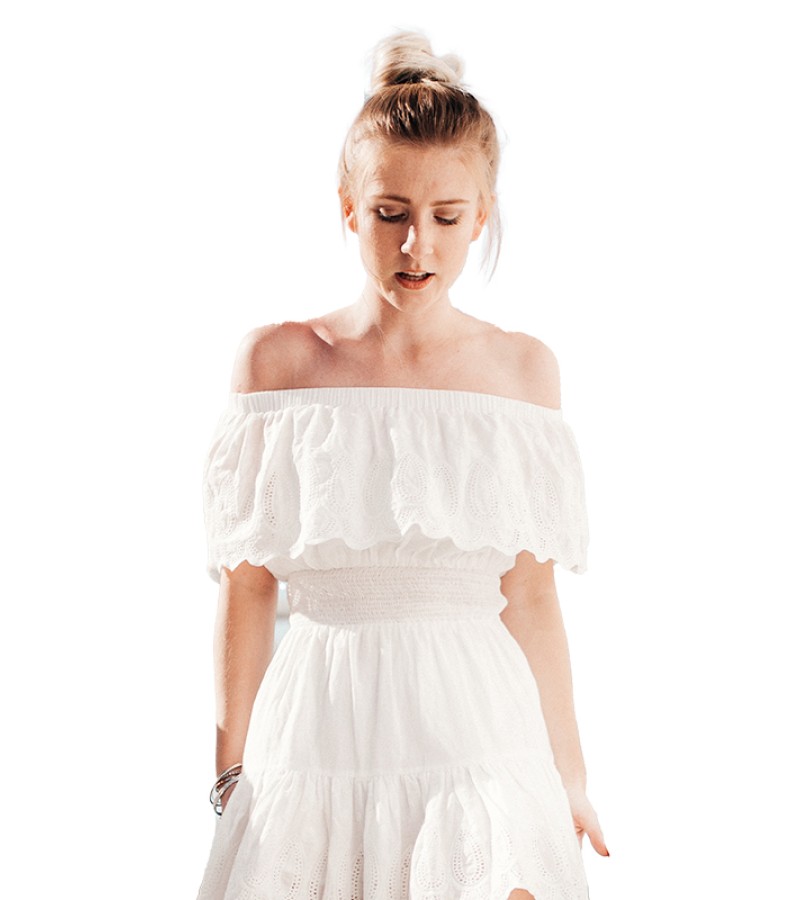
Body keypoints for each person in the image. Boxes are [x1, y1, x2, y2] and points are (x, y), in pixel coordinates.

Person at [197, 30, 608, 900]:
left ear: (481, 216)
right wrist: (230, 773)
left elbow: (532, 597)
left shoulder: (523, 373)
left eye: (446, 218)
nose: (417, 244)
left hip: (482, 731)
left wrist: (569, 781)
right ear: (348, 207)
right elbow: (248, 586)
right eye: (390, 213)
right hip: (318, 732)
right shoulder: (276, 365)